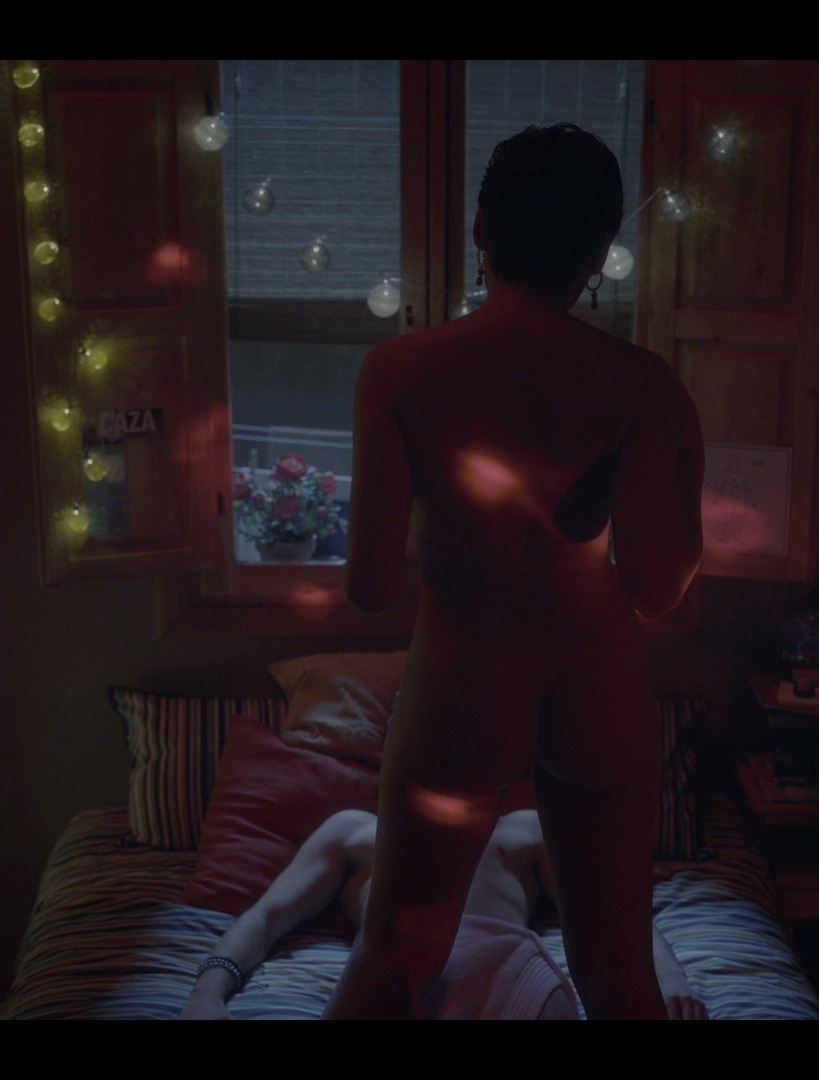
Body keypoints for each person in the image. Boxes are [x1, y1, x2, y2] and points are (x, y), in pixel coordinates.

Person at [328, 123, 704, 1020]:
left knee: (394, 962)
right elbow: (656, 587)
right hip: (596, 681)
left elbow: (370, 588)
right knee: (620, 977)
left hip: (463, 679)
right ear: (598, 252)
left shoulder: (398, 370)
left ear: (481, 229)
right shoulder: (645, 383)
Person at [179, 809, 706, 1020]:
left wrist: (669, 978)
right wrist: (207, 993)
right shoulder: (354, 832)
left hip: (504, 964)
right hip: (396, 968)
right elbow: (266, 917)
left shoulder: (520, 827)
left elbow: (611, 908)